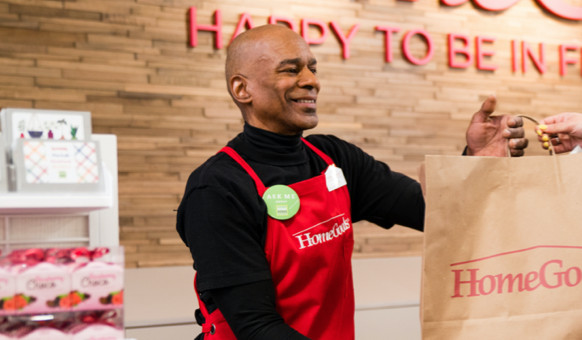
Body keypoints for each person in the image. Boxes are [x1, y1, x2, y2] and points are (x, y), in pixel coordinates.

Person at [175, 25, 527, 340]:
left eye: (312, 68)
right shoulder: (217, 190)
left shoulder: (335, 158)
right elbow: (256, 327)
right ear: (242, 88)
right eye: (290, 69)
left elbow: (434, 212)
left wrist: (476, 162)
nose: (311, 80)